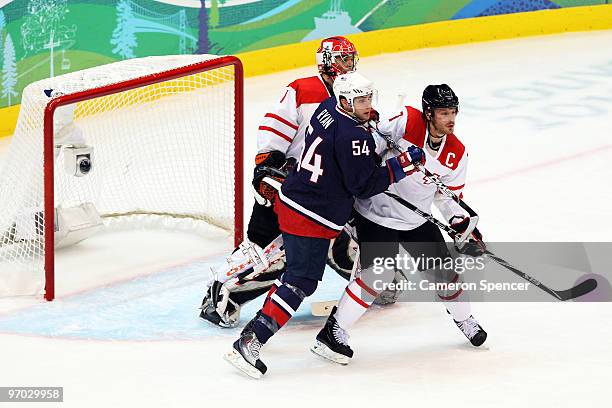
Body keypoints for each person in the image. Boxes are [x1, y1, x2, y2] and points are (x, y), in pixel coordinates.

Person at [223, 72, 426, 379]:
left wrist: (364, 125)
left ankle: (279, 330)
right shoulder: (353, 136)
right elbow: (363, 184)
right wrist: (402, 165)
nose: (367, 105)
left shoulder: (326, 109)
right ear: (345, 100)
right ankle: (250, 341)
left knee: (295, 276)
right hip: (311, 215)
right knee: (299, 280)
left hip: (295, 200)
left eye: (369, 99)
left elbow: (341, 144)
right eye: (360, 101)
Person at [311, 84, 488, 365]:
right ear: (428, 113)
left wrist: (461, 223)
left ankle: (464, 319)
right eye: (444, 113)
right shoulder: (404, 121)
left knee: (446, 275)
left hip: (415, 218)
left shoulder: (457, 152)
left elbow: (447, 195)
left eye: (454, 112)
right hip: (375, 213)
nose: (451, 119)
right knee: (376, 276)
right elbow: (365, 150)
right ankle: (333, 333)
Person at [200, 37, 362, 328]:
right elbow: (273, 130)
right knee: (269, 250)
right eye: (341, 59)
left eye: (351, 59)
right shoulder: (303, 89)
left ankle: (377, 282)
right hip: (289, 187)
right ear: (325, 61)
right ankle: (220, 294)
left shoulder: (355, 93)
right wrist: (268, 167)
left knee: (355, 229)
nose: (347, 66)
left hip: (330, 191)